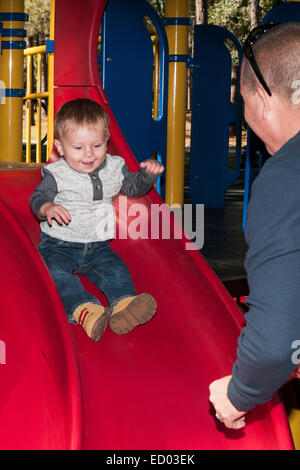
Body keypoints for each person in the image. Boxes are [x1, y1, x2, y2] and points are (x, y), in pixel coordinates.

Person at [209, 22, 300, 430]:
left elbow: (275, 340)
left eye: (243, 102)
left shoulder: (284, 179)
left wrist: (239, 394)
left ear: (262, 100)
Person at [30, 98, 164, 342]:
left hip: (98, 246)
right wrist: (47, 207)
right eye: (78, 148)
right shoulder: (57, 173)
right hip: (58, 246)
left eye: (97, 145)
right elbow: (37, 197)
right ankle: (86, 310)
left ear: (107, 140)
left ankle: (123, 305)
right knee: (57, 277)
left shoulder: (115, 166)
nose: (89, 154)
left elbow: (133, 188)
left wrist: (146, 176)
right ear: (60, 147)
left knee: (116, 271)